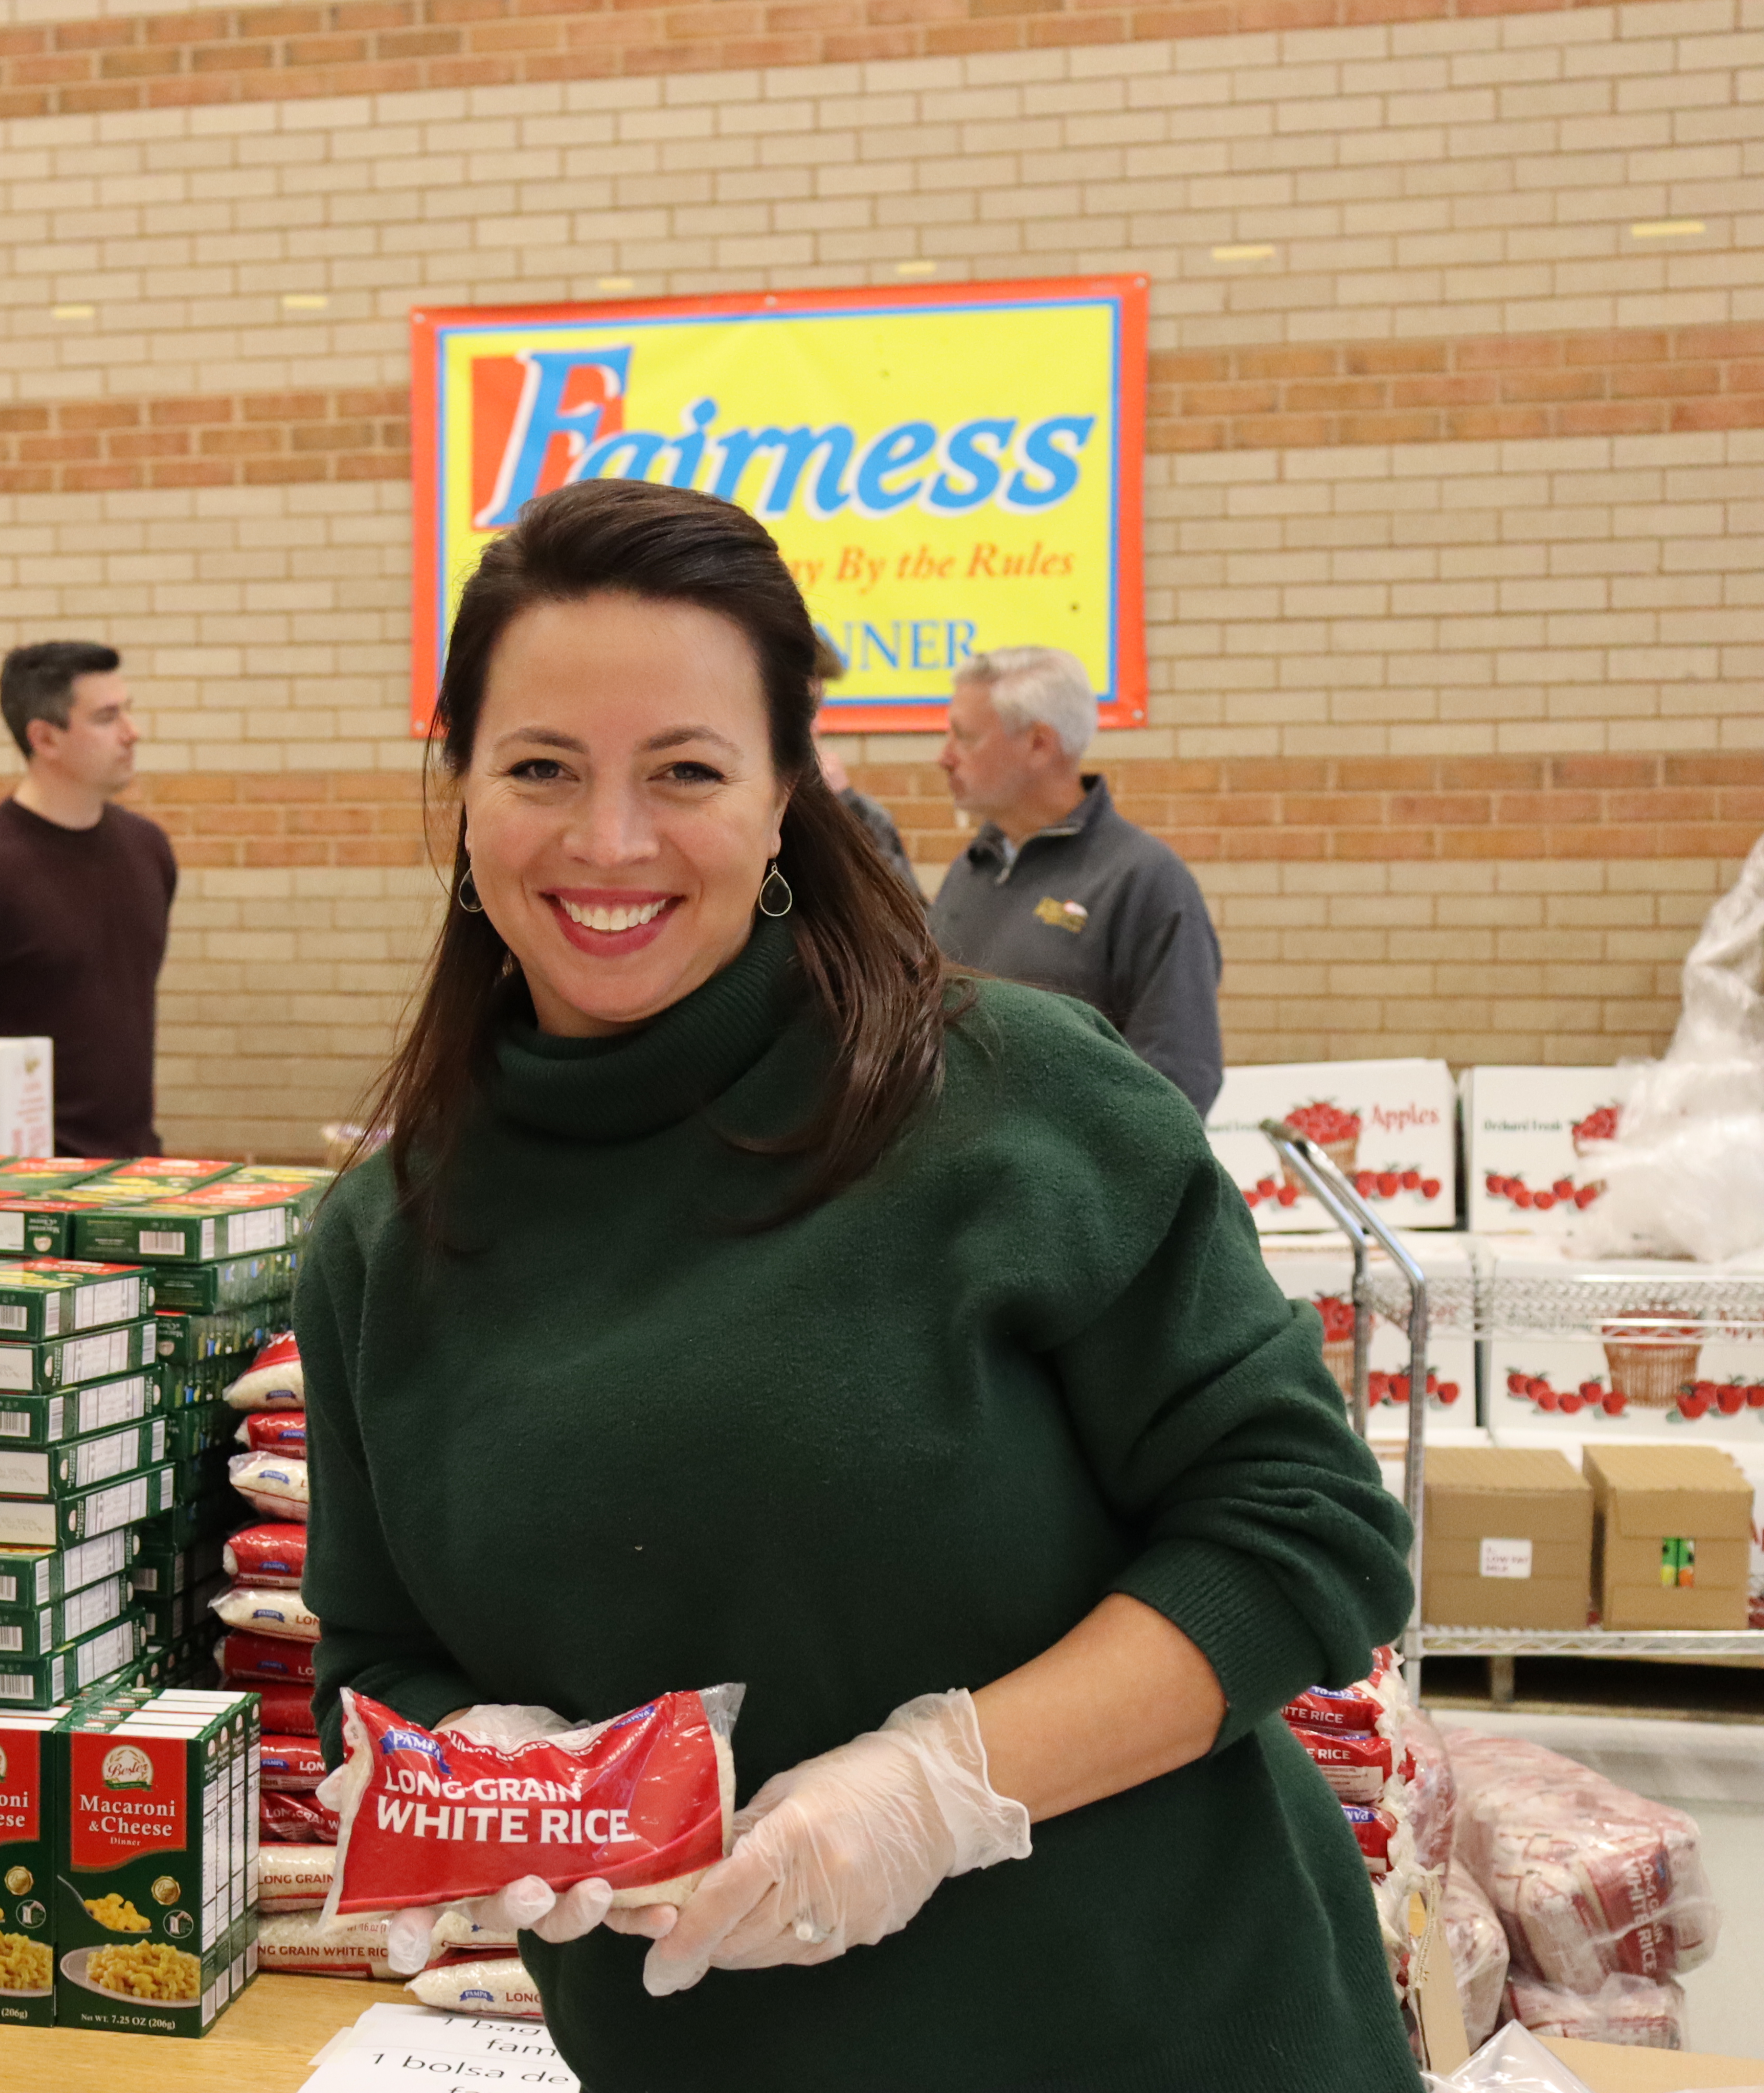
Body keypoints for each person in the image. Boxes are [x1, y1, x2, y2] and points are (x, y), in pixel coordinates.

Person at [300, 479, 1417, 2092]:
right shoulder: (384, 1243)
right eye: (539, 768)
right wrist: (474, 1769)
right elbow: (380, 1656)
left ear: (780, 801)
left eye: (683, 771)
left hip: (1170, 2037)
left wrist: (940, 1786)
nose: (606, 840)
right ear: (458, 791)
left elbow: (1299, 1531)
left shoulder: (1014, 1103)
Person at [0, 640, 174, 1155]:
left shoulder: (149, 850)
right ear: (45, 738)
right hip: (23, 1192)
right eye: (107, 717)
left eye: (128, 711)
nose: (132, 732)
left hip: (135, 1167)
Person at [927, 644, 1224, 1110]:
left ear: (1039, 744)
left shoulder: (1144, 881)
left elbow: (1179, 1079)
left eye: (964, 738)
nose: (944, 758)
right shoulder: (970, 870)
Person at [806, 635, 909, 878]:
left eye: (817, 708)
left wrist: (845, 807)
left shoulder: (859, 814)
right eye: (807, 709)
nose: (815, 726)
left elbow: (905, 907)